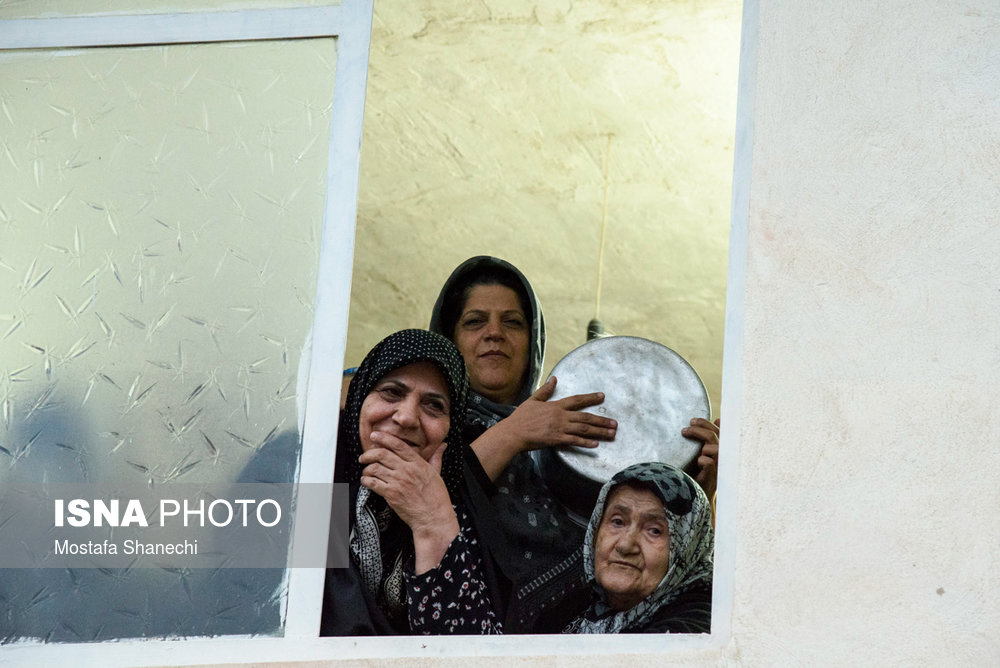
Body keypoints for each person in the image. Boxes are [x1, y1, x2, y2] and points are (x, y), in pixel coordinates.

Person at [428, 257, 720, 583]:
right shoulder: (424, 428)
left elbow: (641, 571)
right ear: (449, 341)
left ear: (533, 343)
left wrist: (697, 494)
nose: (494, 332)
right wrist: (513, 432)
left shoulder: (568, 447)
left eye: (512, 322)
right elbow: (418, 509)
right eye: (474, 321)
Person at [320, 329, 502, 635]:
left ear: (451, 428)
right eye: (391, 392)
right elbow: (257, 601)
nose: (406, 417)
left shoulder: (459, 507)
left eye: (434, 406)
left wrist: (432, 523)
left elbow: (472, 650)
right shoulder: (310, 467)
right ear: (360, 397)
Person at [562, 462, 714, 634]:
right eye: (617, 522)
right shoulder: (572, 606)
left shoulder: (695, 627)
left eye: (654, 531)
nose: (625, 545)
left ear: (687, 547)